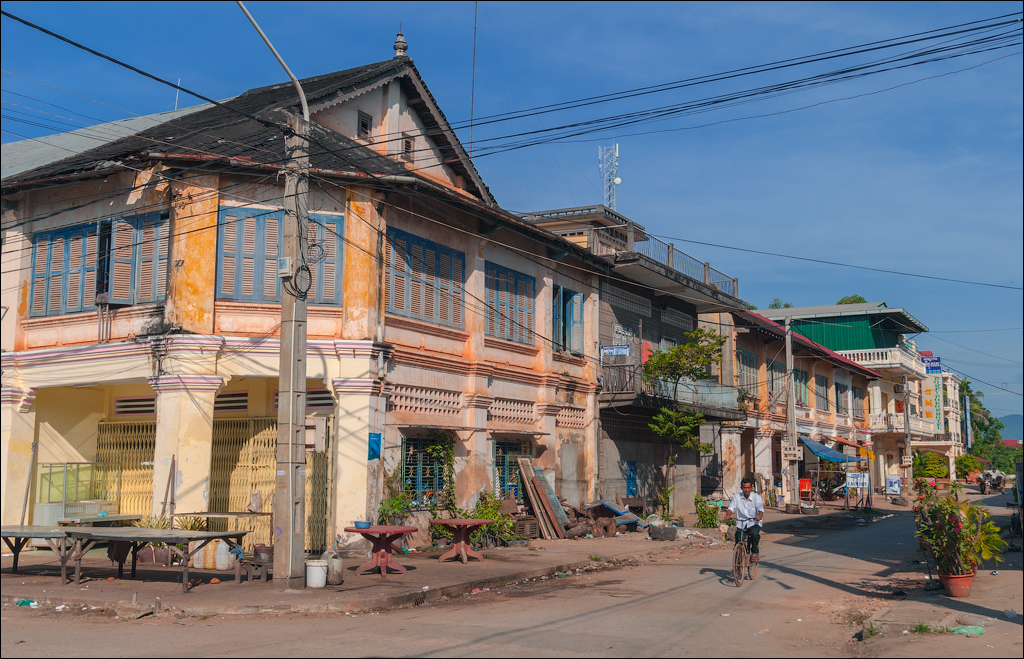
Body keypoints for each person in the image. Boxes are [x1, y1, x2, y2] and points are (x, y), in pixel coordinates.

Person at [724, 477, 765, 563]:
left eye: (748, 487)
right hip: (741, 523)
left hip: (754, 522)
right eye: (744, 488)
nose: (746, 490)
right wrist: (728, 515)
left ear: (751, 488)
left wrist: (759, 516)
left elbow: (760, 508)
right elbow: (732, 507)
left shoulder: (756, 497)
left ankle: (754, 552)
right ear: (741, 488)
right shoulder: (737, 497)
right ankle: (737, 569)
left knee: (754, 534)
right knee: (738, 543)